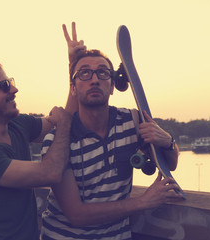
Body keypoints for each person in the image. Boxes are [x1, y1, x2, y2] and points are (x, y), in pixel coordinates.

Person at [40, 23, 184, 240]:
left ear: (113, 86)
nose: (95, 79)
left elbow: (168, 164)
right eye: (85, 74)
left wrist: (169, 142)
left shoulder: (131, 120)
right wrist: (142, 202)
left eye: (103, 73)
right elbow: (76, 214)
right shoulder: (57, 141)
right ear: (72, 87)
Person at [0, 60, 72, 240]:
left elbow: (61, 123)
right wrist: (63, 124)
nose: (14, 90)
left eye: (10, 82)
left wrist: (75, 70)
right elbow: (50, 172)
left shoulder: (17, 125)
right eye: (4, 86)